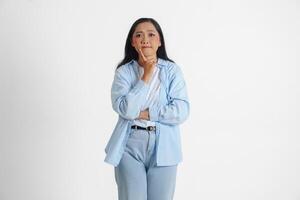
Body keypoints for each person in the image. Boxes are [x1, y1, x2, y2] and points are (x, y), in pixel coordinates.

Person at [104, 17, 190, 200]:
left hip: (165, 146)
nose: (145, 39)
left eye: (151, 34)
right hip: (129, 145)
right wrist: (147, 76)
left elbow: (181, 110)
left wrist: (148, 113)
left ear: (159, 41)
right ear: (133, 42)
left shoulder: (172, 71)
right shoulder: (124, 73)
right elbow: (126, 110)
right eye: (139, 35)